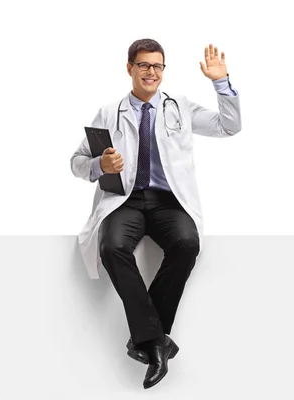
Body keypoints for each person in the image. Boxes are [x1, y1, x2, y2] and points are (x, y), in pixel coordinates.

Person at [70, 39, 242, 389]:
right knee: (112, 247)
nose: (151, 73)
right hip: (126, 201)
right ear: (130, 67)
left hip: (169, 202)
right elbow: (76, 162)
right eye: (144, 65)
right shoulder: (108, 112)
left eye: (158, 66)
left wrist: (220, 83)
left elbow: (229, 126)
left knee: (186, 244)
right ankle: (158, 341)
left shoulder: (179, 106)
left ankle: (147, 340)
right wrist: (99, 165)